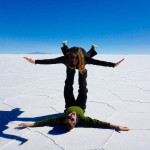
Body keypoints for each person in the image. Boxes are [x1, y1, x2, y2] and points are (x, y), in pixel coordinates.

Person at [18, 70, 129, 131]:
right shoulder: (84, 120)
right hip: (81, 105)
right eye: (72, 118)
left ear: (65, 119)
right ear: (76, 122)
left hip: (69, 103)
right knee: (83, 88)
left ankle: (71, 69)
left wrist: (31, 124)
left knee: (68, 86)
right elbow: (99, 123)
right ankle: (82, 70)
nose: (71, 115)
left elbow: (46, 122)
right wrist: (116, 126)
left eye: (68, 117)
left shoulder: (60, 119)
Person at [23, 43, 124, 106]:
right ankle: (65, 46)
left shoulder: (84, 59)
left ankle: (92, 48)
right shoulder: (67, 58)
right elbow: (52, 60)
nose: (74, 60)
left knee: (83, 84)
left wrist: (113, 65)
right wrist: (35, 62)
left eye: (76, 58)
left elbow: (99, 62)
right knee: (68, 83)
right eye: (73, 57)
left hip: (84, 56)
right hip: (69, 63)